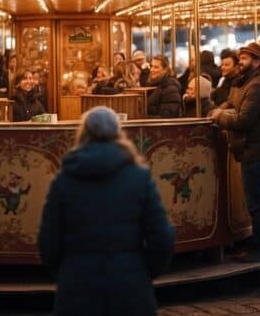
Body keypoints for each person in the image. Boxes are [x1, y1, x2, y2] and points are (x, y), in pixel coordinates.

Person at [38, 106, 175, 316]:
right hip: (130, 285)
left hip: (78, 285)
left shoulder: (64, 180)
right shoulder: (139, 177)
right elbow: (162, 237)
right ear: (118, 134)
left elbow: (48, 241)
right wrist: (144, 271)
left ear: (83, 134)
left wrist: (66, 272)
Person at [210, 42, 260, 262]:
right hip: (255, 148)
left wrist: (219, 117)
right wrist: (222, 107)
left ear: (256, 61)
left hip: (258, 149)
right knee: (257, 200)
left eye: (244, 59)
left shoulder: (258, 86)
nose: (240, 62)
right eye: (240, 57)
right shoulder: (249, 82)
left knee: (256, 202)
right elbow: (234, 101)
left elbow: (244, 120)